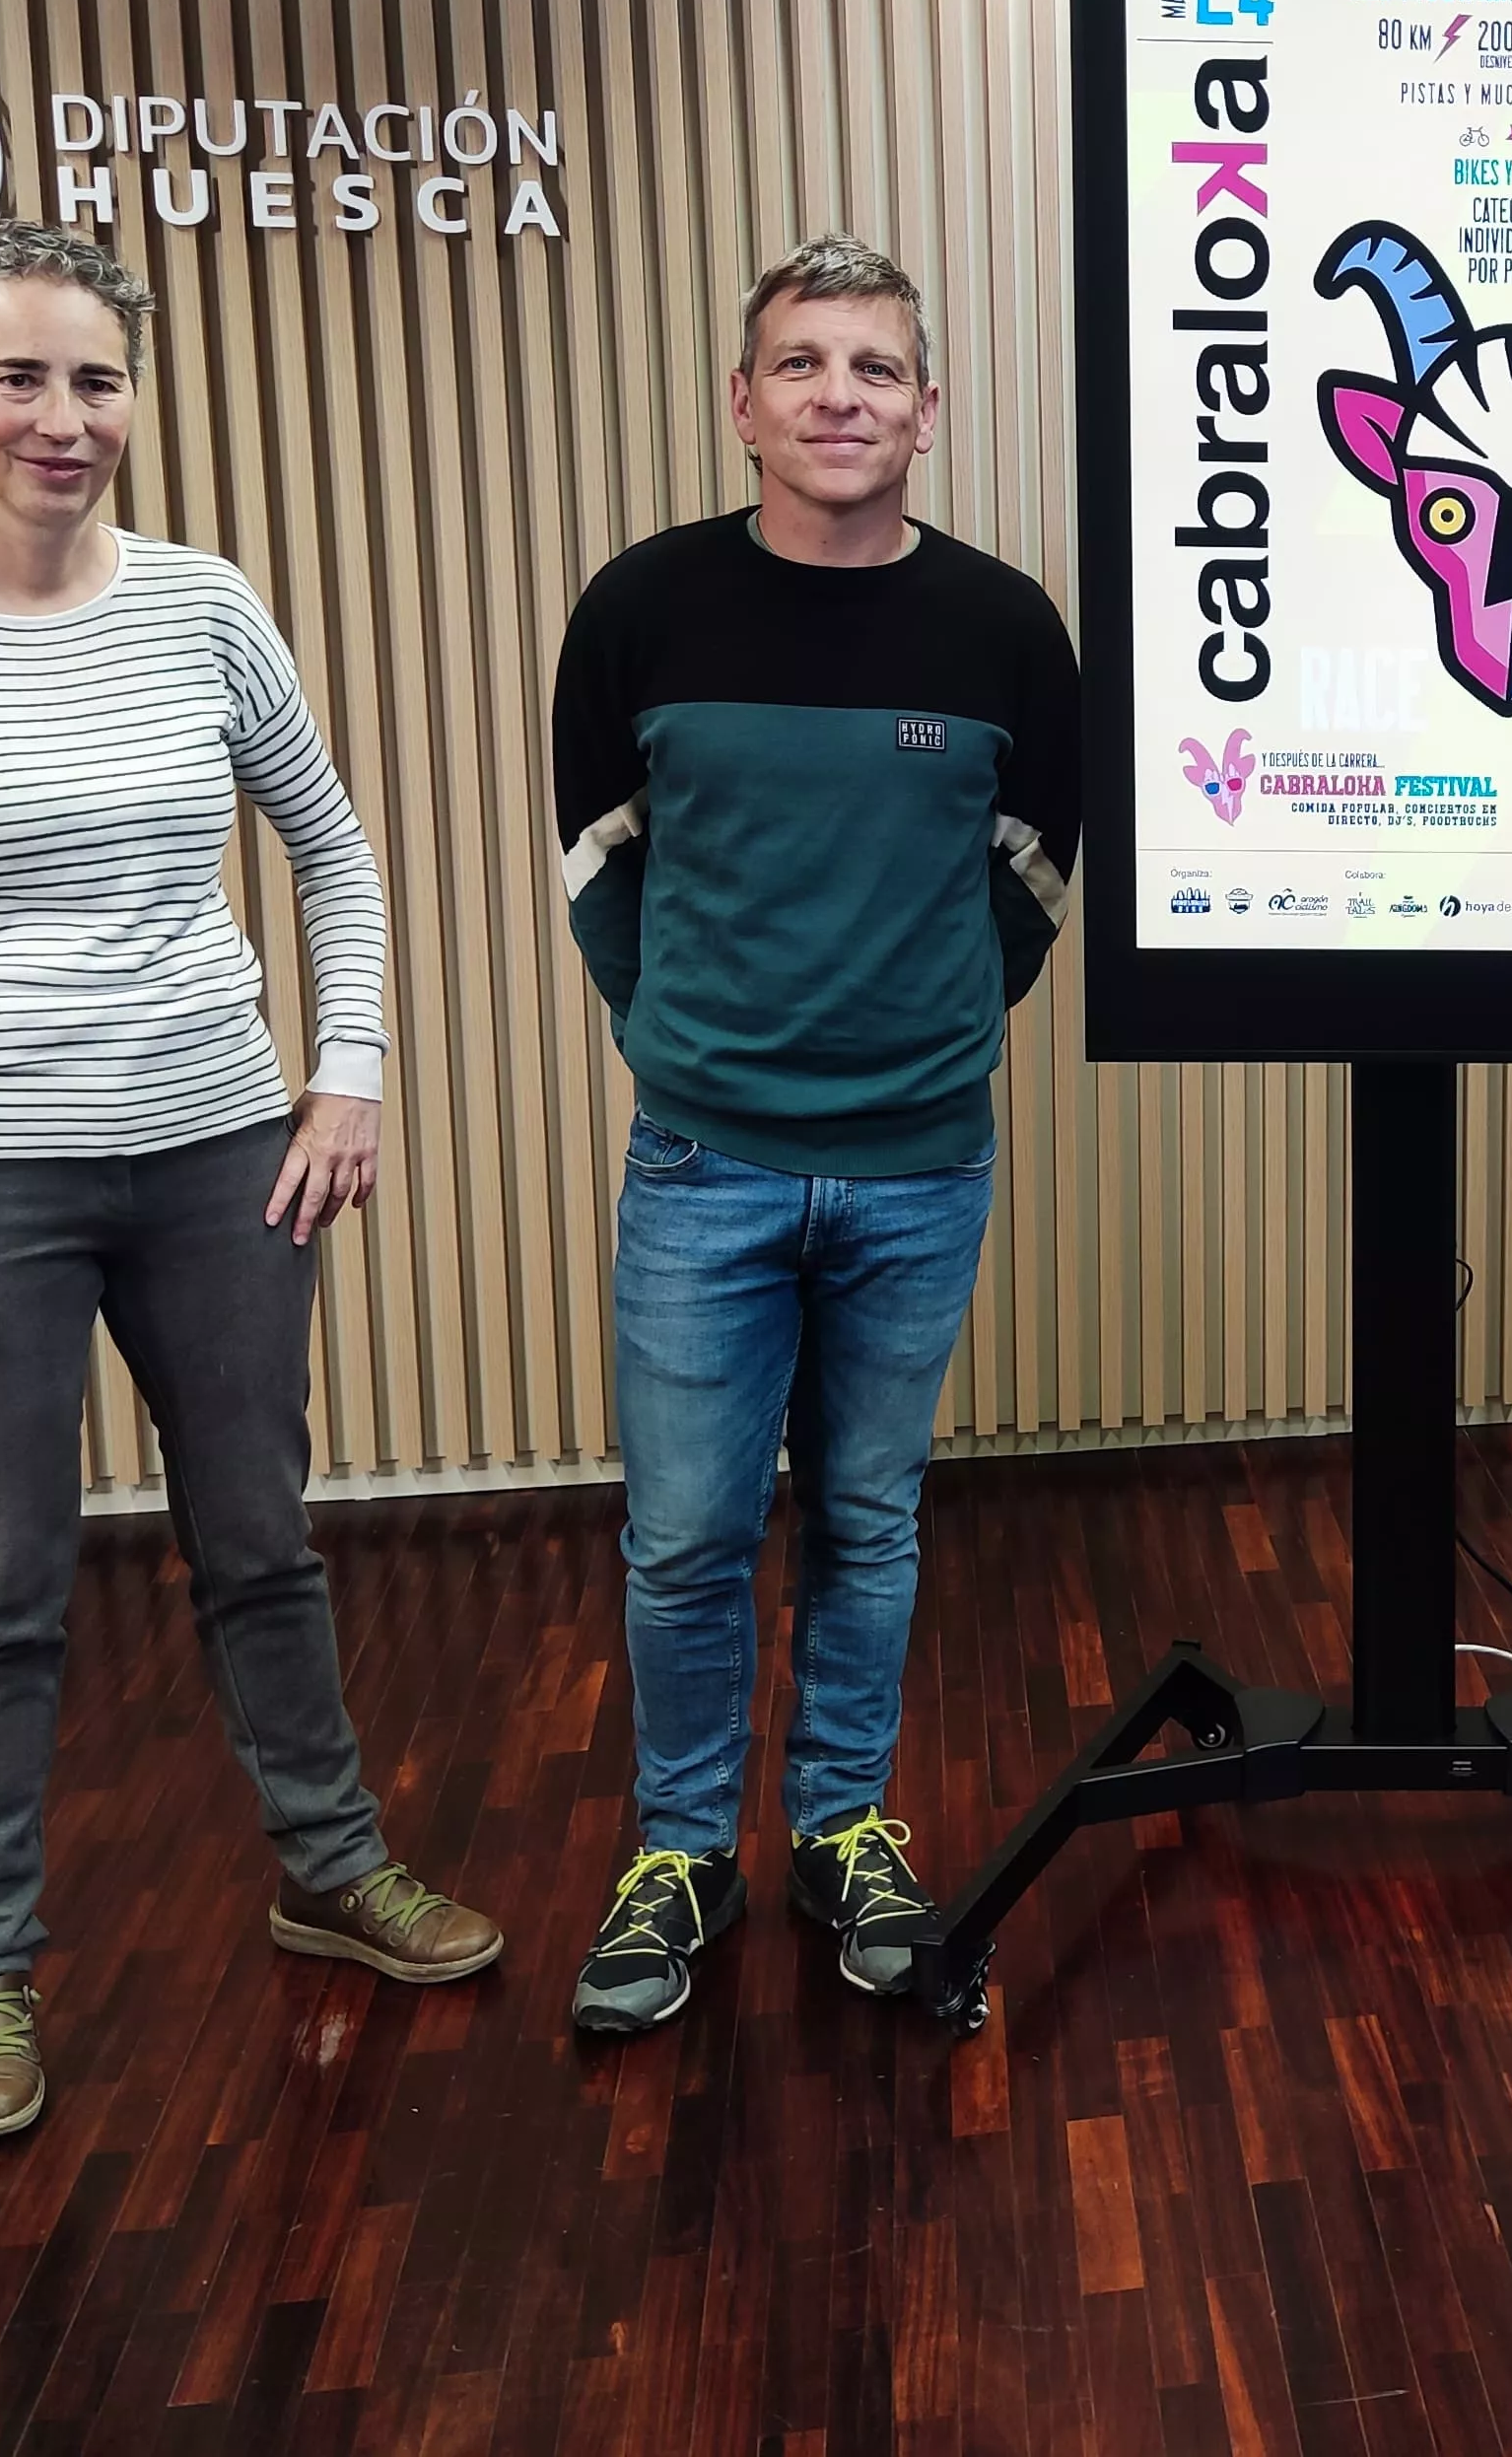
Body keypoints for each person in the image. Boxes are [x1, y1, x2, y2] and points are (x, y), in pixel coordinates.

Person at [0, 221, 503, 2147]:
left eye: (96, 380)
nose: (61, 417)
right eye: (19, 376)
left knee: (260, 1538)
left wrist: (345, 1073)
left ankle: (329, 1869)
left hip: (215, 1154)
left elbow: (335, 852)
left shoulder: (201, 604)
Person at [552, 236, 1080, 2035]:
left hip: (923, 1167)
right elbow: (599, 865)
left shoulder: (1005, 628)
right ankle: (684, 1850)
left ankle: (846, 1826)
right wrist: (684, 1040)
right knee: (687, 1537)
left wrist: (928, 1030)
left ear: (927, 411)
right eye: (801, 364)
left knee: (868, 1517)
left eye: (874, 368)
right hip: (703, 1165)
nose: (837, 396)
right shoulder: (643, 608)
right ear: (742, 401)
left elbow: (1035, 878)